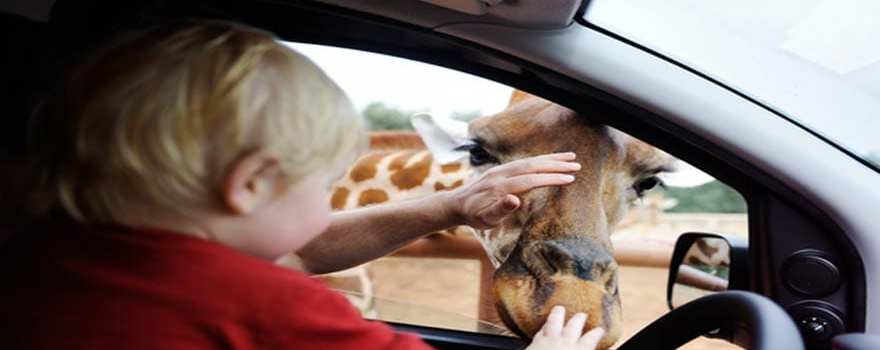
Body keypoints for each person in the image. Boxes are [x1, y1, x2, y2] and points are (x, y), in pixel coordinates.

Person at [0, 20, 604, 350]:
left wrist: (446, 207)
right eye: (324, 185)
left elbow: (295, 245)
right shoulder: (271, 305)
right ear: (251, 184)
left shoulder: (34, 259)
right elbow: (299, 256)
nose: (327, 204)